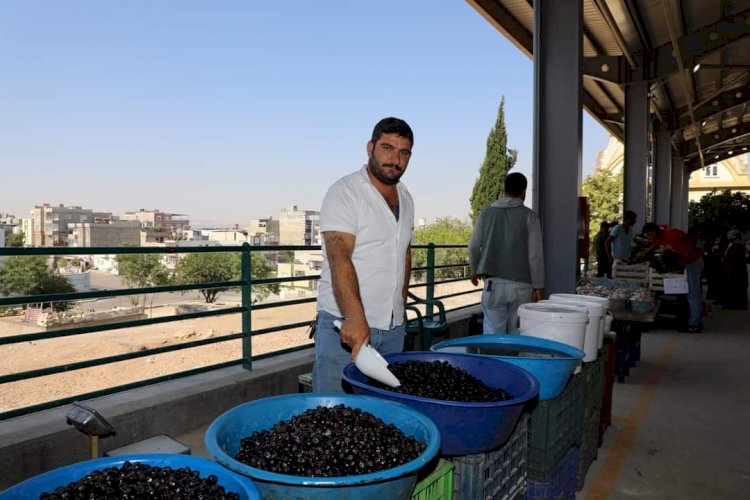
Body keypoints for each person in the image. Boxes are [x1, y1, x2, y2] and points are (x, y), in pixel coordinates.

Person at [312, 117, 415, 393]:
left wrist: (401, 306)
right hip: (345, 328)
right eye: (387, 148)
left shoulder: (406, 198)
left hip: (393, 329)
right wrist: (355, 318)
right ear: (370, 147)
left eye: (403, 152)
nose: (395, 159)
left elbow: (403, 252)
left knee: (383, 416)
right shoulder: (344, 192)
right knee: (333, 415)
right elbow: (339, 257)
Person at [468, 172, 544, 334]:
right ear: (524, 191)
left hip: (492, 285)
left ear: (504, 189)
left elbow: (473, 246)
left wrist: (474, 271)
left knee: (493, 333)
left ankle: (493, 359)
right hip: (522, 286)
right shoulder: (530, 216)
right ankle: (516, 360)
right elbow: (535, 255)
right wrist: (538, 285)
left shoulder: (486, 213)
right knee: (519, 332)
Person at [638, 224, 705, 332]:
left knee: (692, 293)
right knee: (692, 293)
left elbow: (687, 250)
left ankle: (695, 324)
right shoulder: (658, 238)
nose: (650, 237)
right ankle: (697, 318)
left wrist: (679, 266)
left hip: (693, 262)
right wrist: (636, 259)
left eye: (651, 234)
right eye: (647, 236)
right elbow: (651, 249)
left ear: (656, 231)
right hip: (686, 262)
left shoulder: (671, 234)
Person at [722, 229, 748, 310]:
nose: (729, 236)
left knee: (735, 286)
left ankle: (735, 304)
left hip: (735, 270)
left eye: (731, 235)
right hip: (738, 269)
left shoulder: (737, 246)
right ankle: (738, 303)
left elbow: (733, 258)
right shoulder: (737, 245)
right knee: (738, 287)